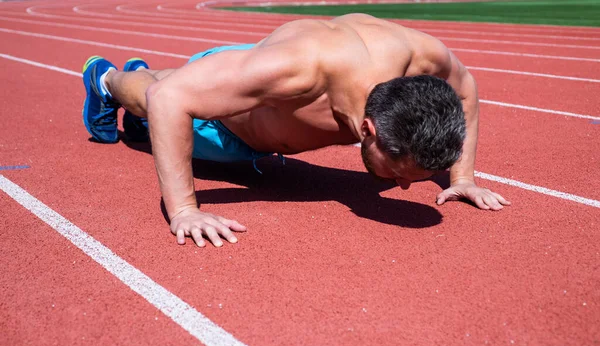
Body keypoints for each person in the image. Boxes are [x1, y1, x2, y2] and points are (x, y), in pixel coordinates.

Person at [82, 13, 510, 248]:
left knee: (176, 85)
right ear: (368, 128)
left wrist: (462, 178)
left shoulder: (420, 55)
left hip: (255, 85)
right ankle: (107, 80)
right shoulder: (297, 71)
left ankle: (143, 85)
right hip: (230, 126)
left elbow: (466, 90)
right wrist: (184, 211)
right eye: (400, 173)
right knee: (154, 93)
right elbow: (171, 101)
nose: (400, 187)